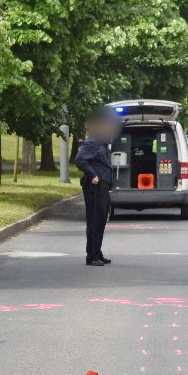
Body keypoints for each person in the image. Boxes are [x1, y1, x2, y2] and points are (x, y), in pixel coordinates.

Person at [76, 109, 119, 266]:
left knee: (101, 220)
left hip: (102, 187)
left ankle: (97, 252)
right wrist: (93, 175)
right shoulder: (92, 142)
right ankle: (91, 256)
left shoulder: (102, 142)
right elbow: (80, 160)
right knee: (94, 220)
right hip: (94, 187)